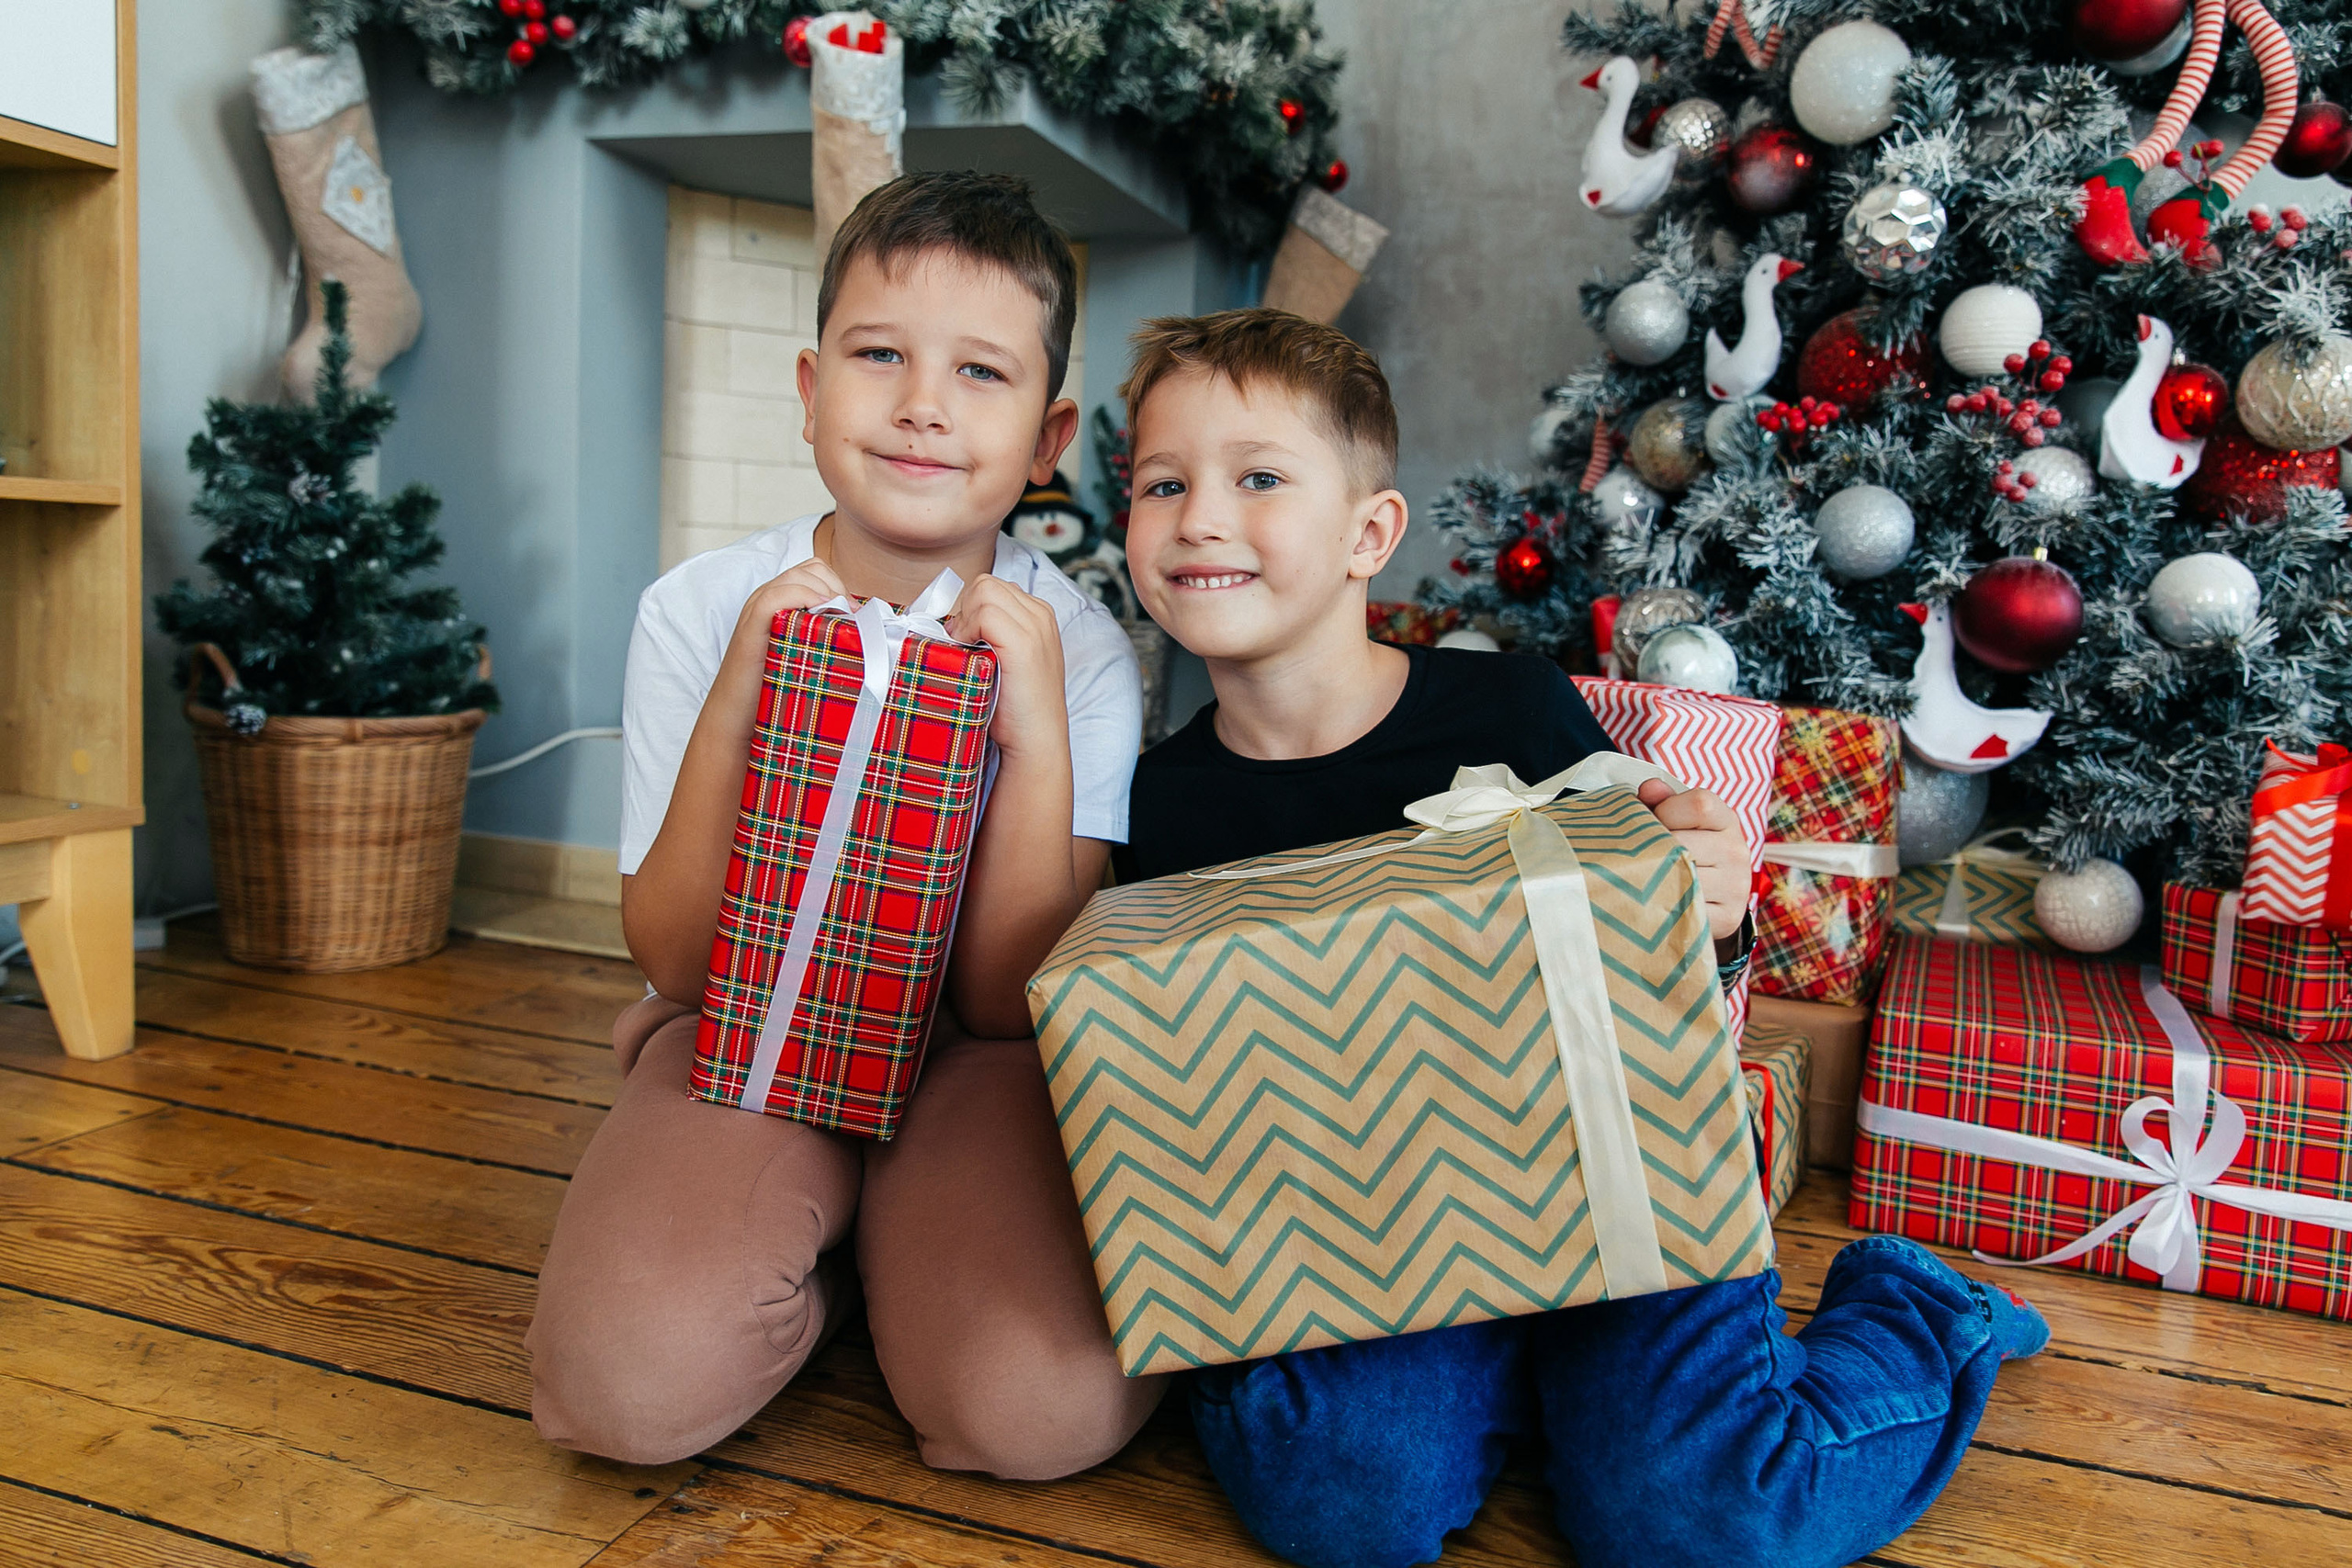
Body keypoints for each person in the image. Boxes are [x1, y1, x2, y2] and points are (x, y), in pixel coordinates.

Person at [1112, 308, 2050, 1568]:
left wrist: (1710, 907)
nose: (1200, 519)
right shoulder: (1167, 800)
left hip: (1616, 1190)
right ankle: (1537, 1398)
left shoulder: (1506, 708)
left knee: (1711, 1521)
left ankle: (1921, 1314)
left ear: (1368, 535)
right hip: (1378, 1235)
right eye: (1163, 483)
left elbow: (1664, 974)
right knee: (1337, 1503)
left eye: (1260, 478)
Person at [526, 172, 1162, 1475]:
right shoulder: (703, 607)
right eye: (881, 356)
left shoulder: (1083, 648)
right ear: (813, 392)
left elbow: (1006, 1001)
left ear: (1047, 438)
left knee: (1035, 1414)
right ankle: (809, 1256)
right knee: (623, 1390)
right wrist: (741, 695)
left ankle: (906, 1248)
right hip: (748, 1026)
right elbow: (674, 960)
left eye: (980, 372)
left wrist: (1037, 735)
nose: (924, 403)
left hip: (976, 1060)